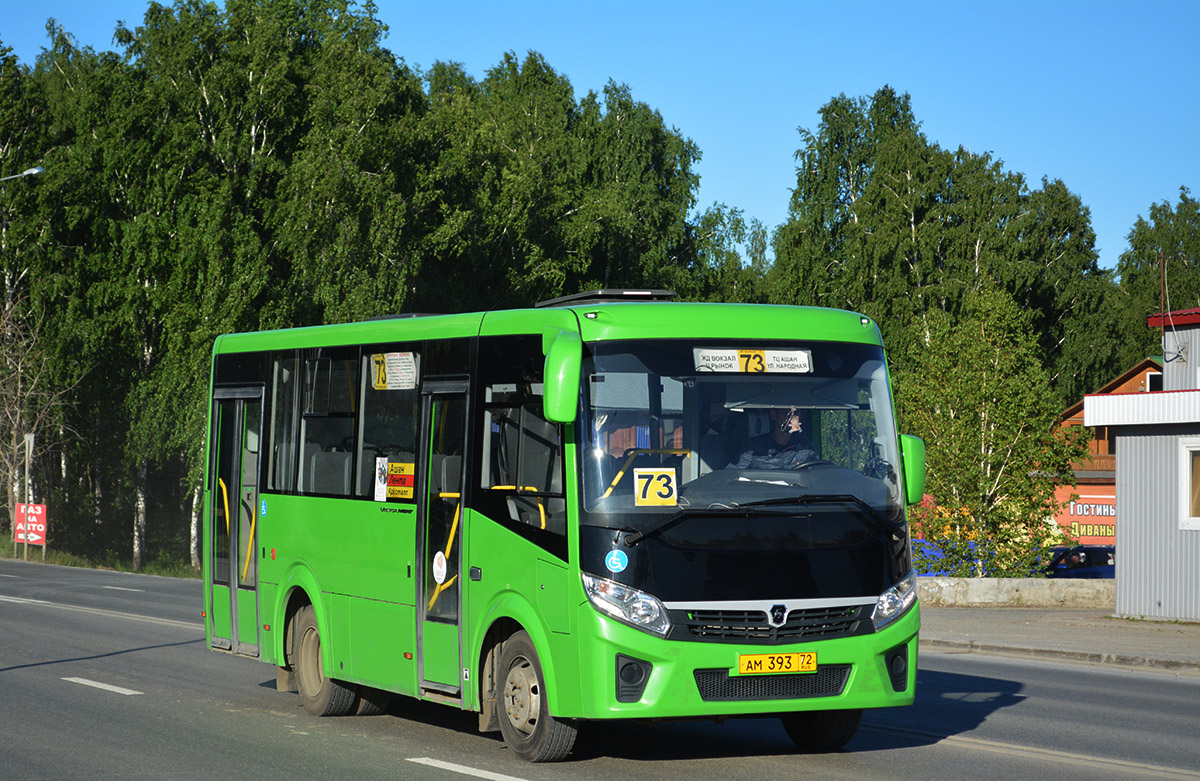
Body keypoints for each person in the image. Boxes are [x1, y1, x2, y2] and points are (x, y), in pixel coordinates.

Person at [729, 407, 819, 470]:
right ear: (773, 415)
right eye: (786, 413)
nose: (791, 418)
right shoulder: (753, 448)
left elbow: (818, 475)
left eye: (795, 414)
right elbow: (732, 475)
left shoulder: (806, 447)